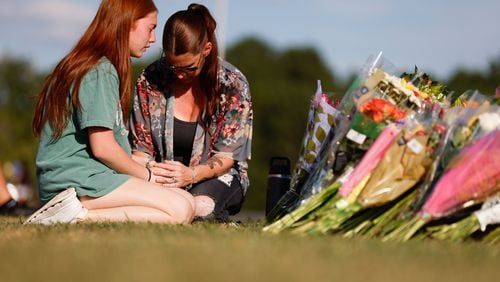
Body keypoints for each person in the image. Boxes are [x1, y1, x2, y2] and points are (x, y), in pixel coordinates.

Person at [25, 0, 195, 225]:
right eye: (151, 27)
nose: (153, 39)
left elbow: (108, 146)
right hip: (74, 181)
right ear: (127, 24)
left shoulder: (100, 65)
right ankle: (69, 217)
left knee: (187, 201)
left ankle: (73, 214)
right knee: (180, 210)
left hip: (88, 176)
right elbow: (103, 148)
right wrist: (148, 177)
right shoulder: (100, 69)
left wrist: (148, 166)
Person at [130, 3, 253, 222]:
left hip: (216, 176)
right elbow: (141, 152)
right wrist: (154, 174)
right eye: (172, 66)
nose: (178, 75)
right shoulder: (151, 79)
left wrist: (190, 175)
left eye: (188, 68)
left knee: (199, 208)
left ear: (206, 50)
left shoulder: (233, 85)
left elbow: (226, 157)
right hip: (161, 178)